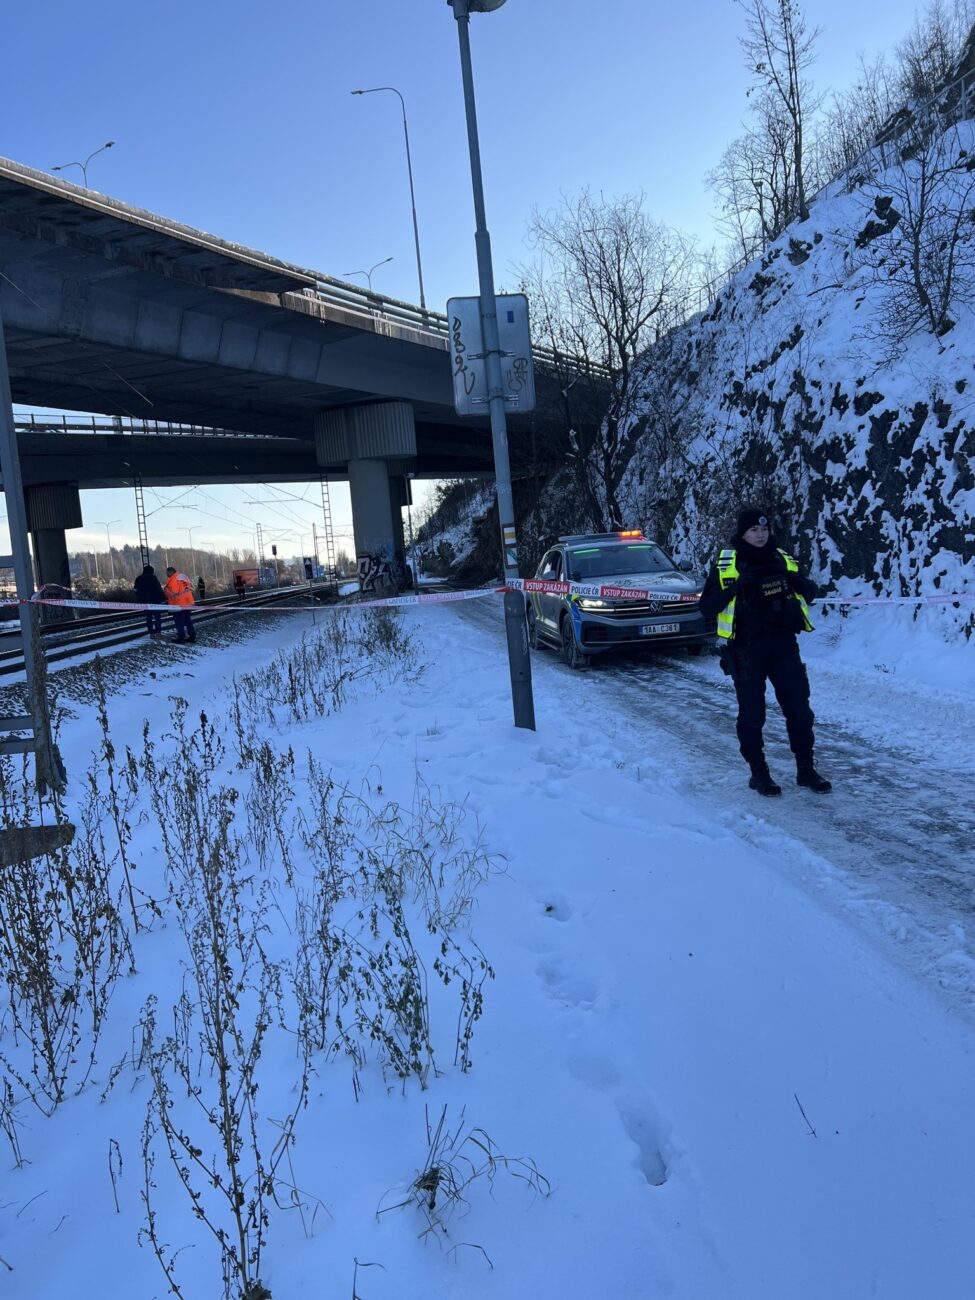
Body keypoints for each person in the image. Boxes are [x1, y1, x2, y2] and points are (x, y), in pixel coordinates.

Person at [699, 507, 831, 797]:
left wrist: (798, 583)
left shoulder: (782, 559)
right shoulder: (728, 564)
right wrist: (734, 589)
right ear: (742, 533)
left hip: (784, 646)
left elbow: (810, 592)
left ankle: (806, 770)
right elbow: (706, 607)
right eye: (753, 530)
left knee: (800, 712)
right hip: (747, 650)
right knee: (752, 715)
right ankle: (759, 774)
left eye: (764, 529)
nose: (760, 535)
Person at [163, 566, 196, 644]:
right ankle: (192, 636)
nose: (167, 575)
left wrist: (166, 590)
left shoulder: (173, 579)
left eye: (167, 573)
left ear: (170, 572)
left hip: (179, 604)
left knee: (179, 621)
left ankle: (181, 638)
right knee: (188, 620)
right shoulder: (183, 577)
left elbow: (173, 594)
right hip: (188, 602)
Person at [134, 564, 165, 637]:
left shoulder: (139, 578)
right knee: (157, 617)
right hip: (155, 601)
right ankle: (158, 633)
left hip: (145, 602)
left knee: (149, 618)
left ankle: (151, 633)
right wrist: (163, 597)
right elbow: (158, 588)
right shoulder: (153, 577)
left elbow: (135, 590)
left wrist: (139, 596)